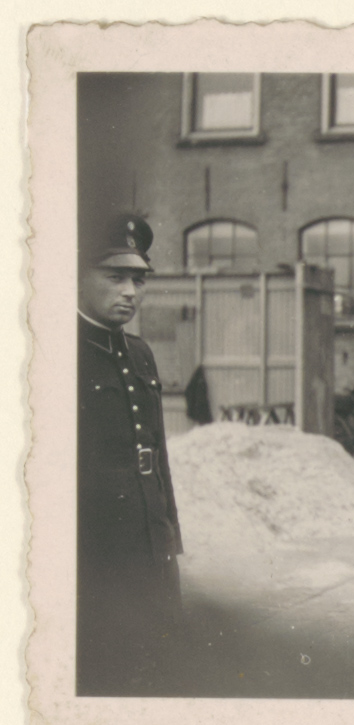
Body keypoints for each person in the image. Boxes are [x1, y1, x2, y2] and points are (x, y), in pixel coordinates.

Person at [77, 213, 185, 695]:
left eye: (138, 280)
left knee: (161, 667)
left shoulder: (140, 353)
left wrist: (169, 540)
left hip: (150, 543)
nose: (130, 292)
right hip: (96, 551)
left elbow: (157, 457)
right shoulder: (57, 352)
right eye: (114, 277)